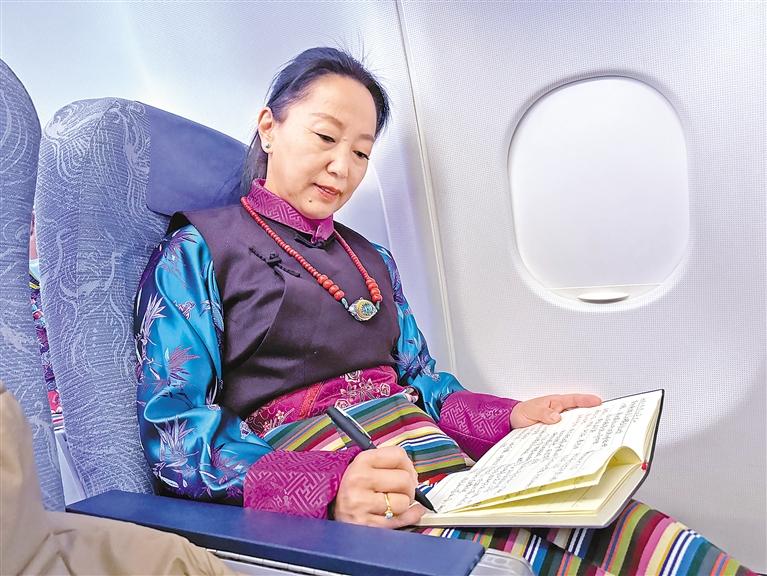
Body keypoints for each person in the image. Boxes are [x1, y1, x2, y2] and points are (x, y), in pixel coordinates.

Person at [134, 47, 753, 575]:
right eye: (325, 137)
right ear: (269, 127)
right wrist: (328, 489)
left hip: (459, 478)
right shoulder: (199, 249)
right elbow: (176, 436)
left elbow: (424, 386)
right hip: (368, 510)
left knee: (652, 539)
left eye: (362, 152)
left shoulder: (372, 258)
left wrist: (514, 418)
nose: (342, 167)